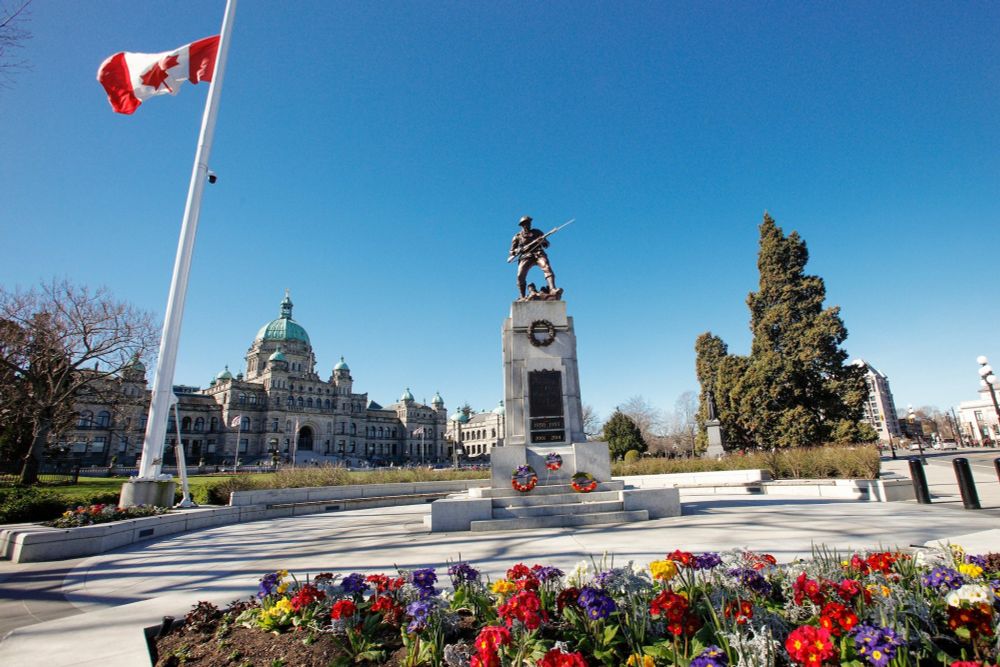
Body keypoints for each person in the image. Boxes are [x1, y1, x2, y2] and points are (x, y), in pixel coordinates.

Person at [509, 215, 557, 299]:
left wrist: (542, 241)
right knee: (520, 275)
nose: (528, 225)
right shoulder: (517, 237)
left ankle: (552, 289)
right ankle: (522, 296)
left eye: (529, 223)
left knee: (547, 267)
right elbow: (511, 252)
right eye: (526, 223)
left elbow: (547, 244)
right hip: (526, 256)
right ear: (522, 225)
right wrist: (518, 250)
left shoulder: (537, 232)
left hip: (538, 254)